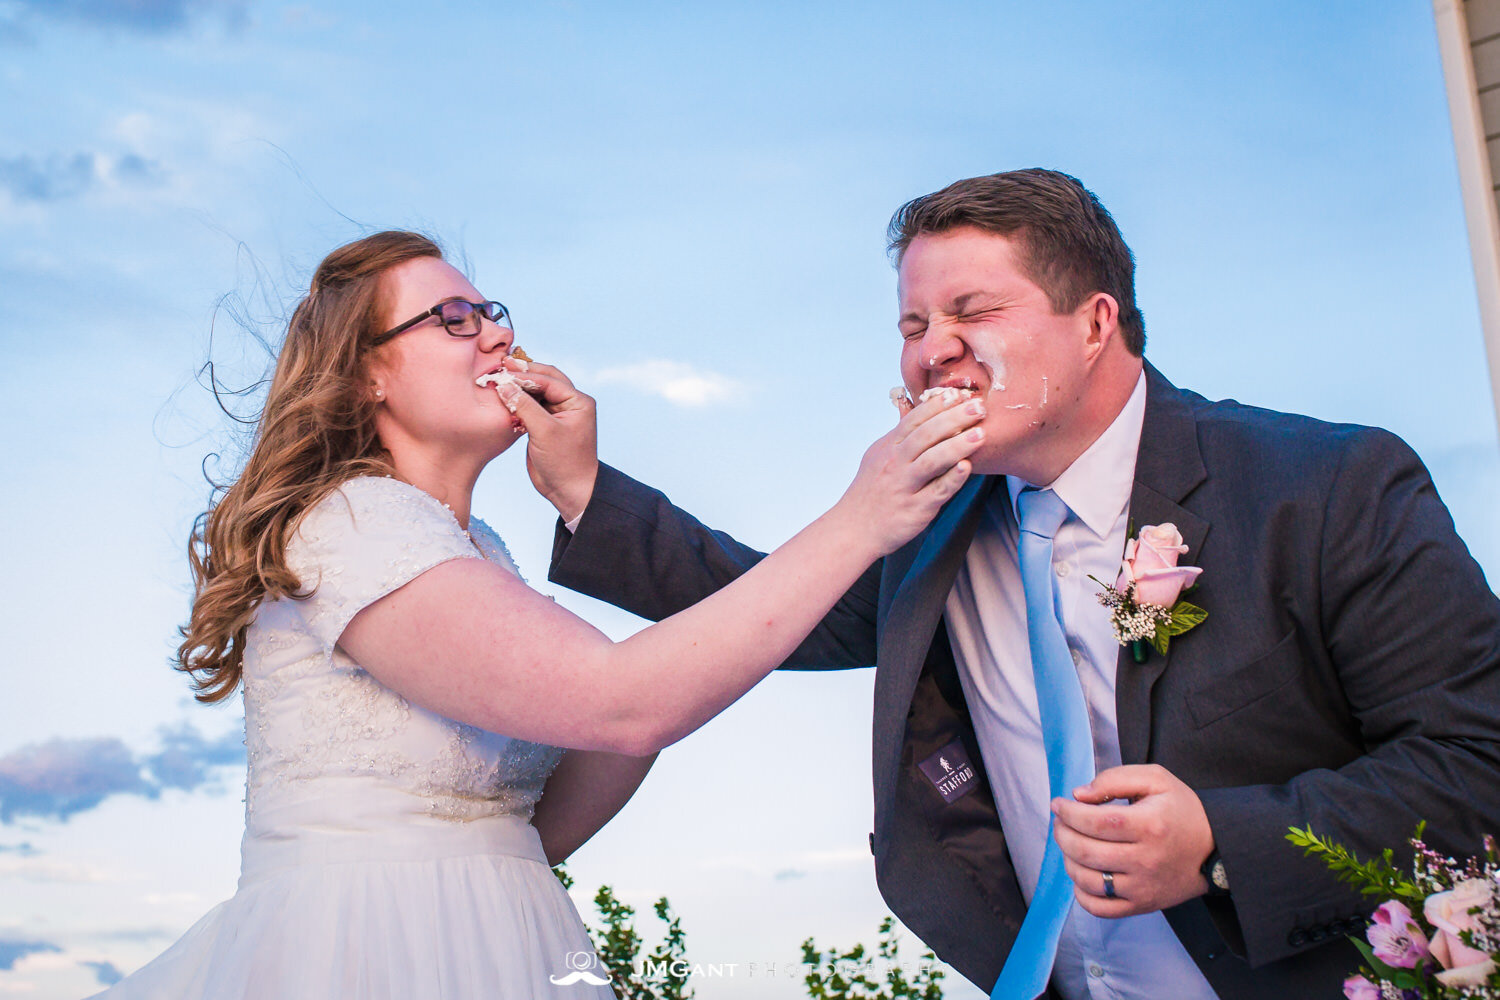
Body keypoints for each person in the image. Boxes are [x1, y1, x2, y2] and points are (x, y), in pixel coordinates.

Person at [532, 170, 1500, 999]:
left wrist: (1218, 840)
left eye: (972, 311)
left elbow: (1477, 759)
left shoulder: (1323, 485)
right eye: (912, 322)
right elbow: (774, 604)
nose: (931, 347)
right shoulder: (930, 528)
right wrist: (581, 486)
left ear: (1095, 322)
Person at [93, 230, 984, 999]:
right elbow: (623, 700)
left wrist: (594, 510)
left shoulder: (477, 548)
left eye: (493, 312)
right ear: (367, 373)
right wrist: (861, 520)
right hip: (362, 948)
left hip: (499, 936)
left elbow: (603, 747)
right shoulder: (353, 523)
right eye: (453, 318)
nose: (497, 333)